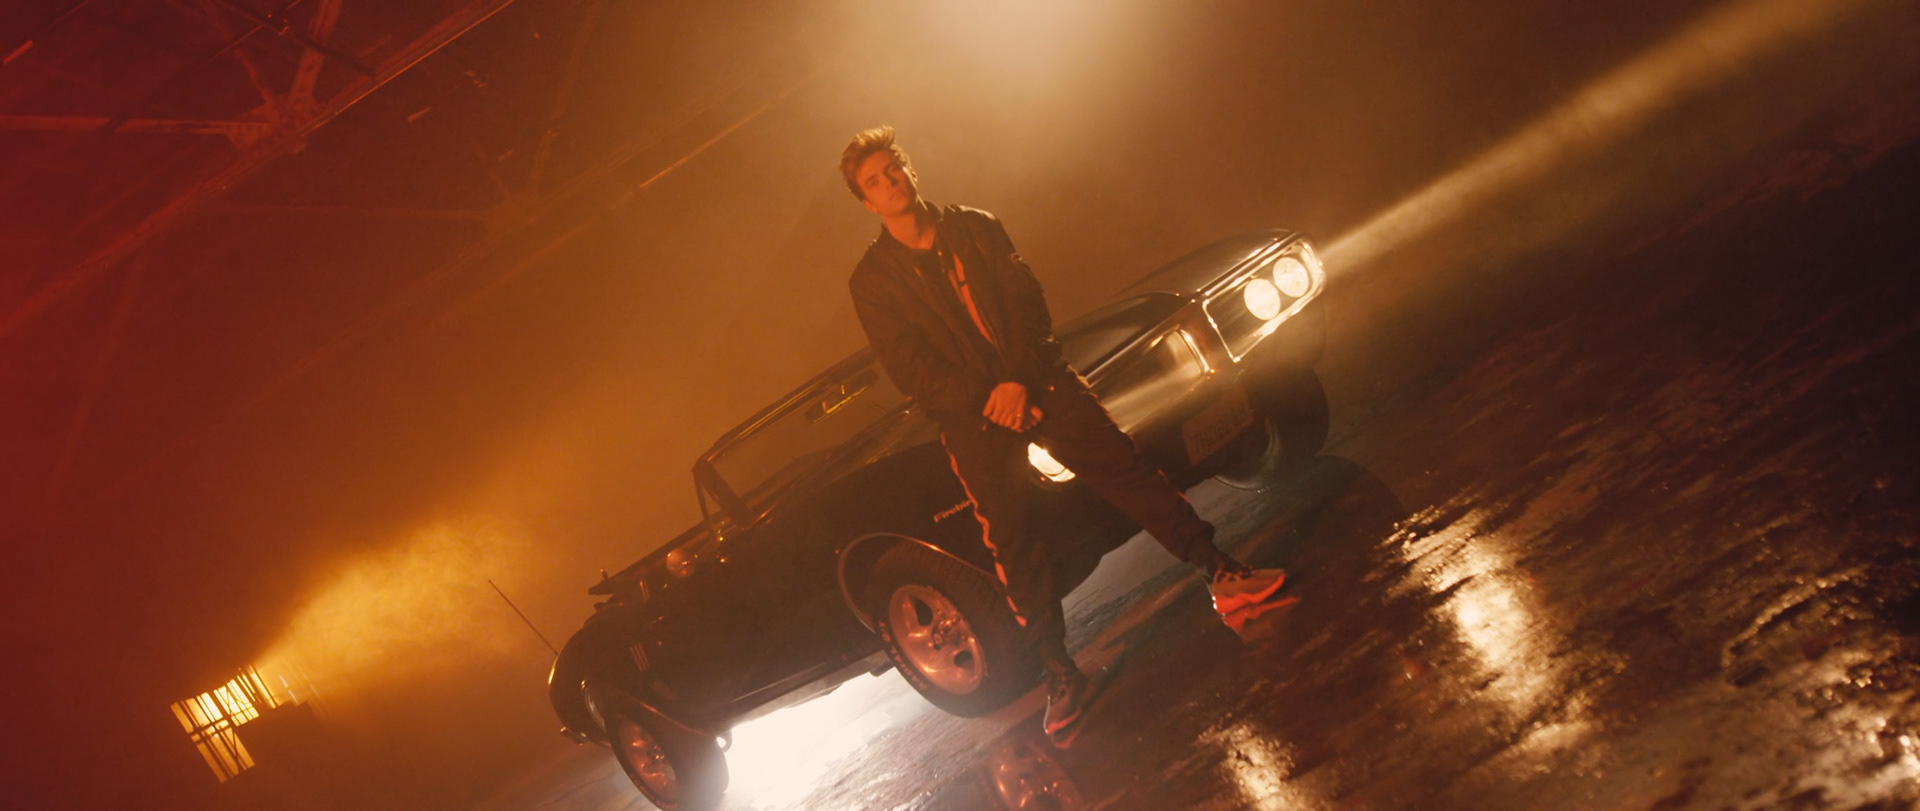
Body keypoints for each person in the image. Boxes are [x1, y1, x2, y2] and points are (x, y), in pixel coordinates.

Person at [839, 126, 1290, 746]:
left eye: (893, 169)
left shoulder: (975, 226)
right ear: (867, 203)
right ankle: (1060, 672)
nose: (889, 183)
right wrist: (989, 398)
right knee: (1012, 541)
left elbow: (1028, 303)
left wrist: (1019, 381)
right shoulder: (872, 281)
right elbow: (911, 367)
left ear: (909, 170)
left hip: (1041, 382)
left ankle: (1223, 573)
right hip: (973, 420)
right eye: (874, 181)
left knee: (1128, 471)